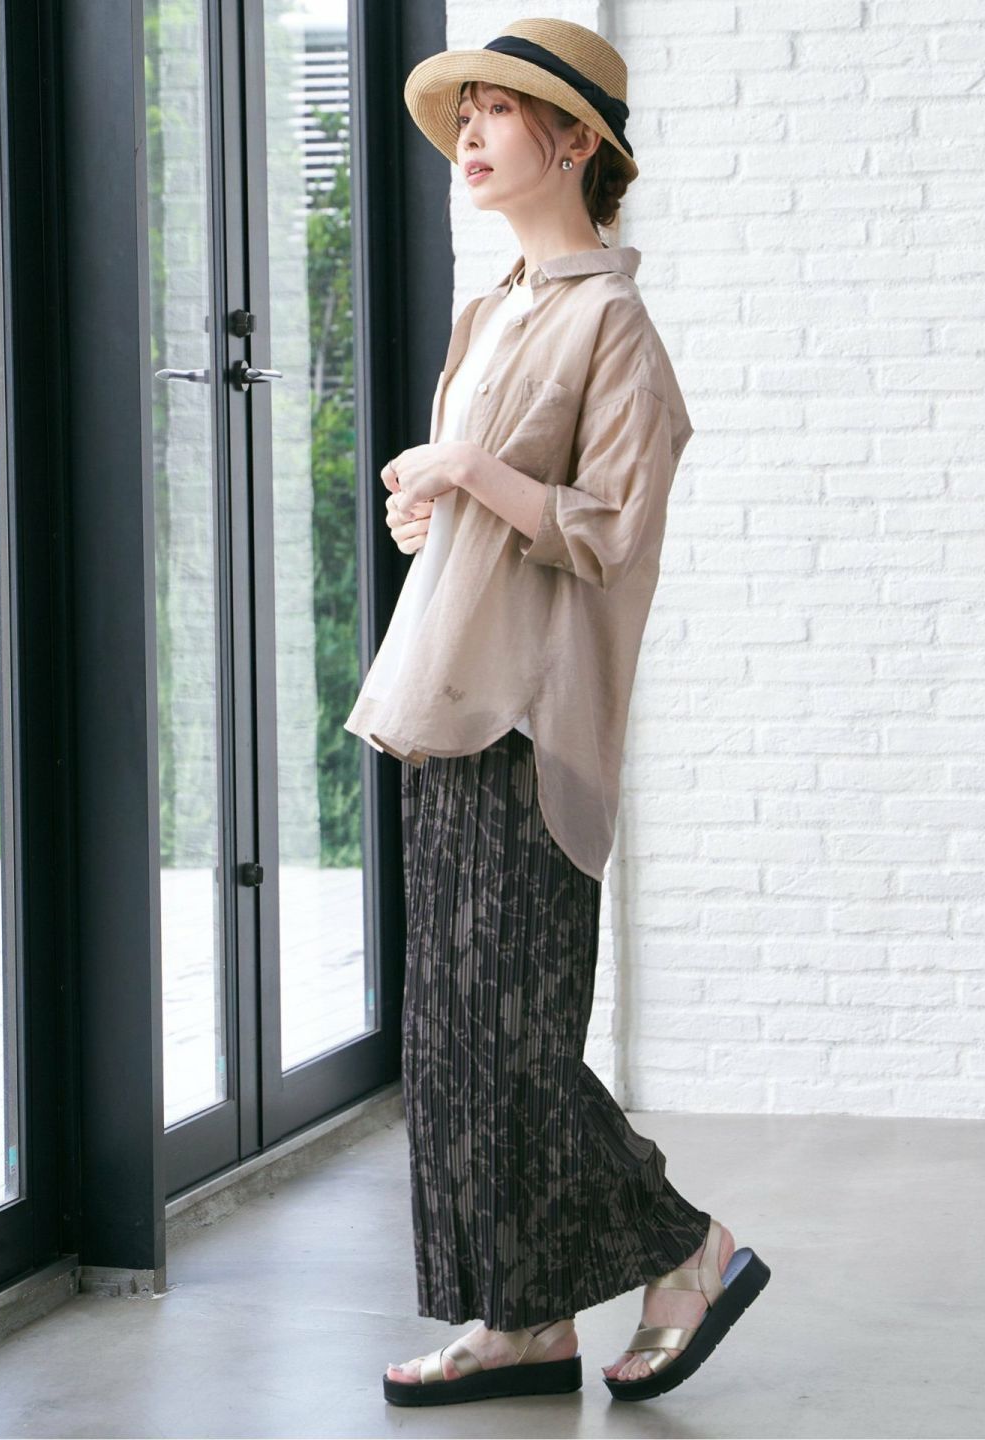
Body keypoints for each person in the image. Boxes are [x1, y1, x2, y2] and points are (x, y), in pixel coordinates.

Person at [344, 18, 770, 1408]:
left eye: (500, 111)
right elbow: (486, 516)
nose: (468, 135)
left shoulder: (614, 326)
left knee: (515, 1045)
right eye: (463, 111)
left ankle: (687, 1249)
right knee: (451, 1049)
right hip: (442, 697)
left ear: (577, 139)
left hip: (531, 719)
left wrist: (469, 470)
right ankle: (520, 1322)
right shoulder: (493, 311)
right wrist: (434, 506)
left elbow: (613, 529)